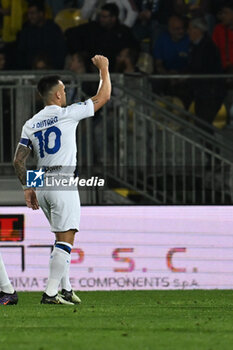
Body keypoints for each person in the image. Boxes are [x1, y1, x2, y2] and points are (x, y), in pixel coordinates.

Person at [13, 55, 111, 305]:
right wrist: (104, 70)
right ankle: (50, 293)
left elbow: (18, 161)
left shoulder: (31, 124)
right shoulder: (68, 113)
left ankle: (65, 288)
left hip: (42, 185)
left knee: (59, 239)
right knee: (66, 240)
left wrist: (28, 188)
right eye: (64, 90)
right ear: (57, 95)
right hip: (63, 181)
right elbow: (103, 98)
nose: (65, 94)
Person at [65, 3, 138, 71]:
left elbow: (134, 46)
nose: (101, 19)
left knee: (127, 59)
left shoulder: (123, 31)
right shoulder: (93, 27)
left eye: (104, 17)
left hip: (114, 65)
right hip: (92, 64)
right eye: (100, 16)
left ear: (113, 18)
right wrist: (77, 51)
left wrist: (125, 52)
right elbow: (70, 32)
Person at [187, 17, 226, 128]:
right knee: (201, 124)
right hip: (202, 92)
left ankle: (209, 146)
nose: (188, 32)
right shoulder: (194, 46)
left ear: (198, 30)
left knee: (203, 125)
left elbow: (201, 67)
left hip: (211, 92)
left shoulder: (209, 47)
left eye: (190, 29)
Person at [17, 1, 66, 69]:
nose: (30, 16)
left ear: (41, 13)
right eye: (28, 13)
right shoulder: (26, 30)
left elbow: (60, 51)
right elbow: (22, 53)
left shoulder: (53, 29)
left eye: (33, 13)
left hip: (52, 69)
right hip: (30, 70)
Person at [212, 1, 233, 72]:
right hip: (221, 70)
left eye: (226, 13)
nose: (222, 16)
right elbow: (213, 51)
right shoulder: (218, 29)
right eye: (222, 13)